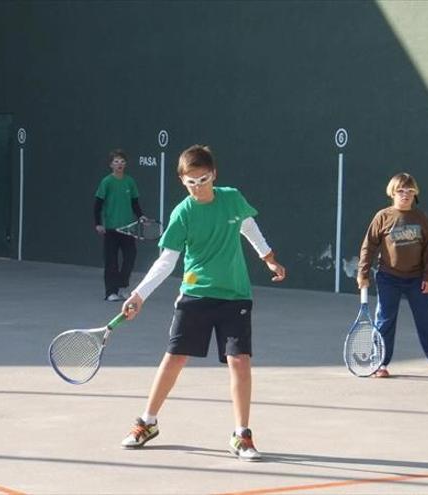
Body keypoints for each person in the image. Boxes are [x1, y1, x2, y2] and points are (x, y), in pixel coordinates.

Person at [118, 145, 286, 461]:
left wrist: (269, 258)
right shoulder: (183, 213)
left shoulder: (232, 198)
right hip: (195, 295)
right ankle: (147, 422)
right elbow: (166, 261)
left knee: (240, 360)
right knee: (175, 358)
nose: (197, 187)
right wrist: (139, 294)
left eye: (203, 179)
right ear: (183, 181)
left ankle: (242, 435)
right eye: (190, 182)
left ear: (214, 175)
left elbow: (248, 226)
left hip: (235, 295)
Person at [356, 172, 428, 378]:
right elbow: (369, 246)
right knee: (385, 320)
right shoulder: (383, 217)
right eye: (400, 191)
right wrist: (363, 273)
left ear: (415, 194)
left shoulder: (421, 218)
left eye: (410, 191)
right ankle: (380, 363)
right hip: (388, 277)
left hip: (417, 279)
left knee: (426, 319)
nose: (405, 195)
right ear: (392, 193)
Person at [94, 149, 146, 301]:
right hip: (110, 229)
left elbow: (135, 202)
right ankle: (111, 292)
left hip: (128, 229)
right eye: (116, 162)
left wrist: (141, 216)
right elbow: (98, 204)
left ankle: (122, 287)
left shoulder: (130, 181)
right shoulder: (107, 182)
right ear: (111, 165)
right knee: (111, 261)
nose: (119, 164)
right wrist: (98, 223)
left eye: (122, 162)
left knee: (130, 257)